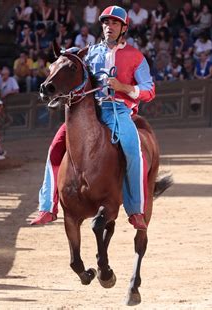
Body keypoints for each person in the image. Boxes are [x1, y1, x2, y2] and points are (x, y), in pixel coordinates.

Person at [31, 5, 155, 231]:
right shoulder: (91, 52)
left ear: (123, 28)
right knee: (55, 148)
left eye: (115, 23)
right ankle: (47, 206)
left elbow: (149, 90)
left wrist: (123, 87)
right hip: (87, 111)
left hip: (117, 111)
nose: (109, 27)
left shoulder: (135, 57)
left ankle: (136, 210)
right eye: (106, 23)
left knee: (133, 150)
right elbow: (70, 64)